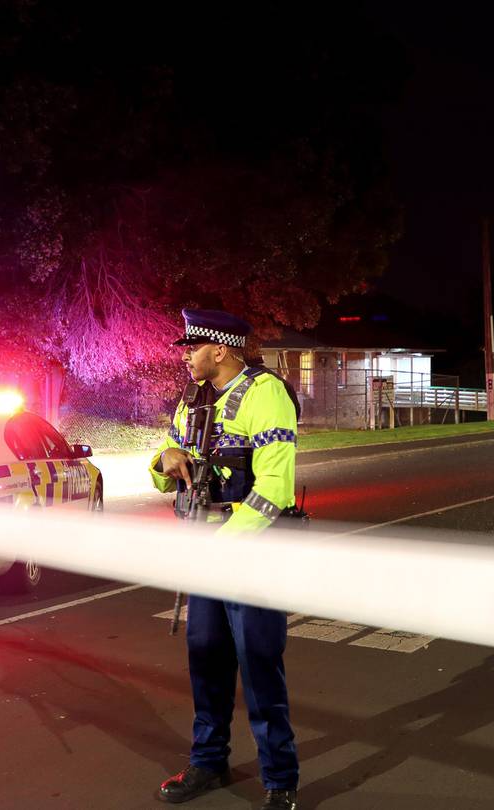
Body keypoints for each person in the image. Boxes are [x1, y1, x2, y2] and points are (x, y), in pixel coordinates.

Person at [150, 308, 300, 810]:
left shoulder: (266, 394)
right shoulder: (192, 397)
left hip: (252, 555)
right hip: (206, 552)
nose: (184, 356)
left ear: (219, 349)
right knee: (206, 660)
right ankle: (208, 761)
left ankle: (280, 780)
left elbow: (274, 489)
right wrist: (165, 458)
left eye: (191, 347)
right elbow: (168, 458)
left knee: (259, 667)